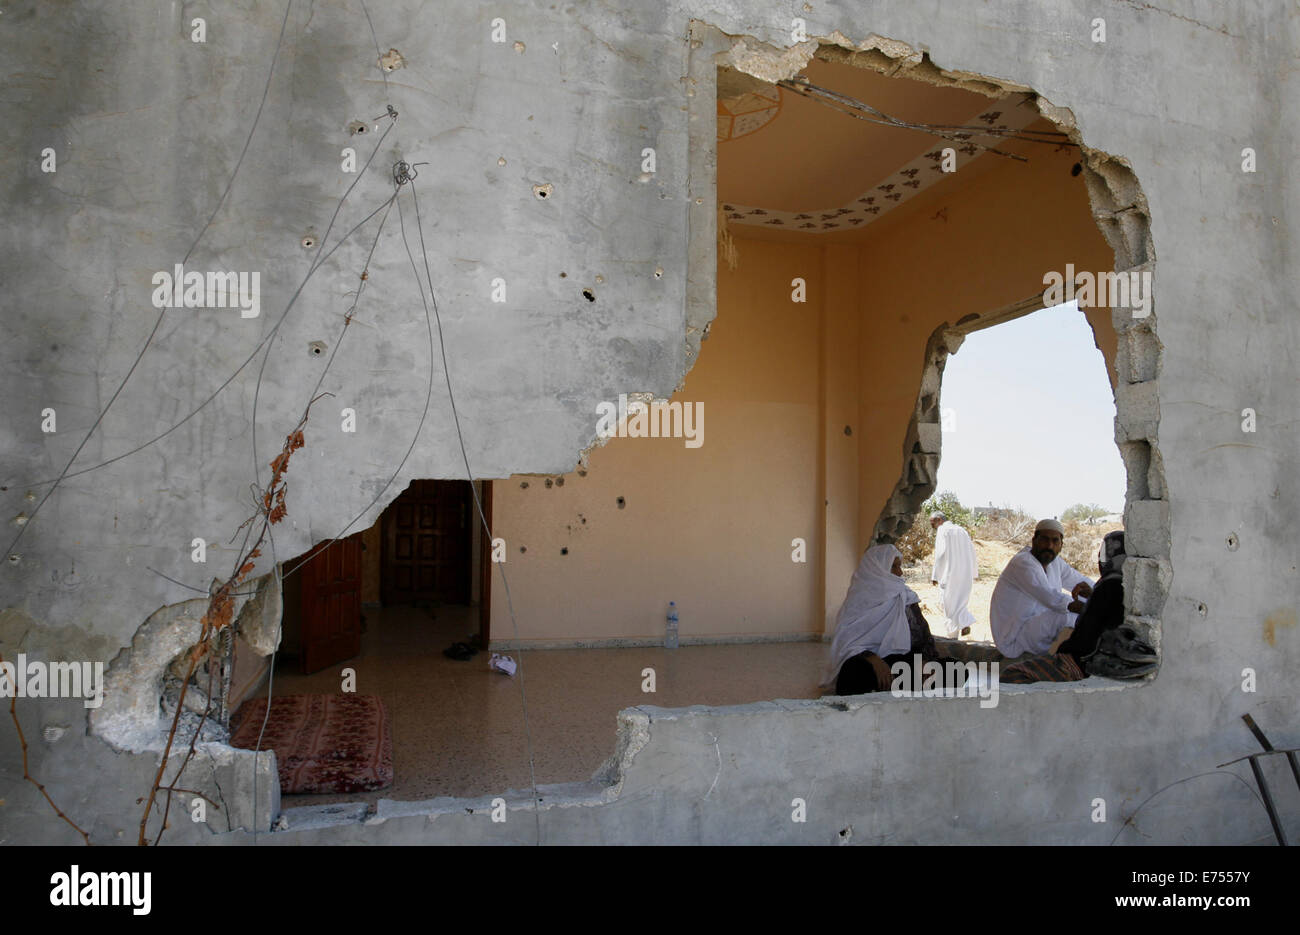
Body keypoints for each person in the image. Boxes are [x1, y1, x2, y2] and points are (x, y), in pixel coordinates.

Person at [825, 543, 939, 695]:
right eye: (894, 566)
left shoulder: (905, 597)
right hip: (868, 664)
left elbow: (923, 638)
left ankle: (895, 689)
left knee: (954, 668)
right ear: (876, 569)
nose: (900, 573)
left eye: (900, 566)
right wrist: (873, 659)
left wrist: (924, 661)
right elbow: (845, 643)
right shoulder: (858, 601)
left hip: (902, 663)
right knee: (852, 672)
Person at [989, 519, 1093, 658]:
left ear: (1061, 545)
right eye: (1044, 539)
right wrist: (1091, 608)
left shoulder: (1055, 563)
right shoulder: (1023, 563)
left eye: (1055, 541)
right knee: (1068, 616)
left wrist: (1095, 592)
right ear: (1034, 541)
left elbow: (1080, 581)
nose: (1049, 545)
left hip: (1036, 629)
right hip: (1014, 636)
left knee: (1078, 616)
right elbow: (1051, 598)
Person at [929, 511, 977, 638]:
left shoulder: (943, 530)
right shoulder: (962, 530)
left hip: (949, 573)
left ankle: (953, 636)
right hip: (964, 573)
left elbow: (940, 555)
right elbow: (971, 551)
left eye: (932, 523)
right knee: (960, 602)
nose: (932, 527)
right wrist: (973, 572)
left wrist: (935, 575)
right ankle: (964, 622)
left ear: (939, 520)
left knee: (948, 605)